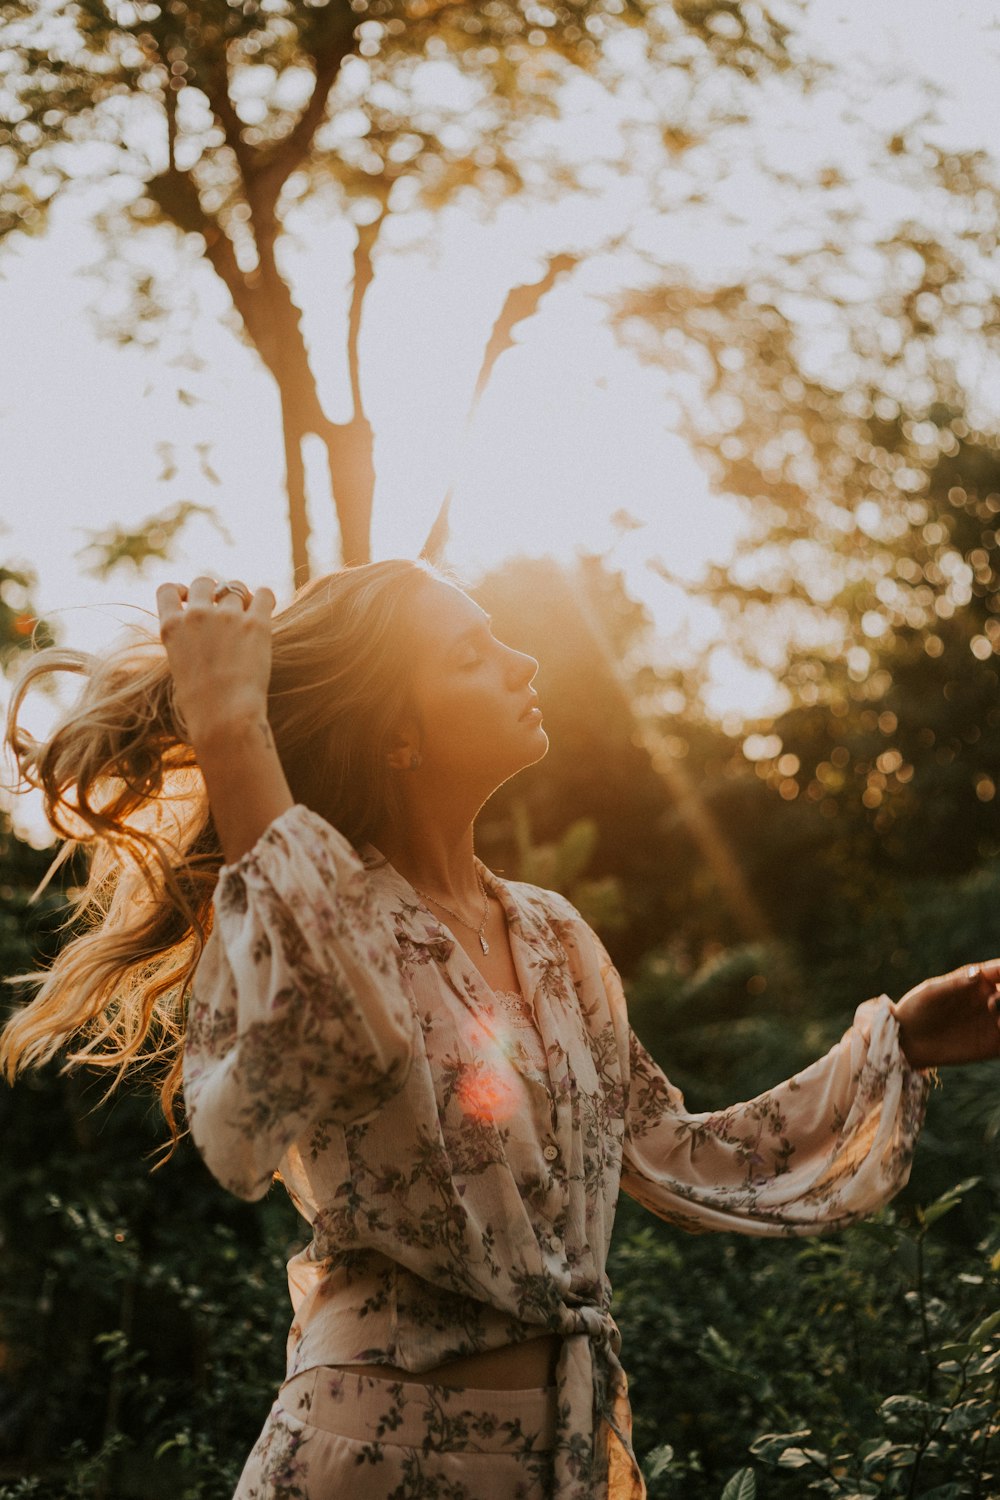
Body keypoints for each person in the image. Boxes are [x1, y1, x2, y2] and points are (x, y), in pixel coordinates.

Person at [3, 558, 1000, 1500]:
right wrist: (230, 731)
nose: (521, 662)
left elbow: (676, 1154)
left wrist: (896, 1044)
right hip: (369, 1463)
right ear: (400, 732)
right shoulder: (307, 922)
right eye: (471, 655)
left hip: (550, 1462)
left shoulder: (552, 936)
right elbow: (266, 1102)